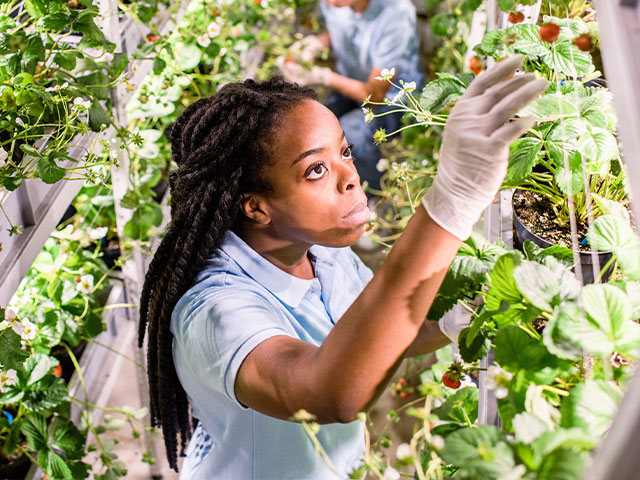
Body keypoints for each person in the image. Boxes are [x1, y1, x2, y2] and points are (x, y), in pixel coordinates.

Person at [138, 55, 546, 479]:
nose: (349, 176)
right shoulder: (214, 313)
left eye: (344, 151)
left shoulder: (323, 253)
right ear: (256, 207)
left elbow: (371, 341)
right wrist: (452, 200)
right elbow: (327, 392)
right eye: (316, 170)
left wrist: (447, 324)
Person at [279, 0, 424, 193]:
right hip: (351, 82)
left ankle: (372, 191)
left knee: (350, 136)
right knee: (313, 122)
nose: (329, 2)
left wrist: (324, 77)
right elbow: (344, 29)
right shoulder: (337, 4)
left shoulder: (396, 15)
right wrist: (317, 43)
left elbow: (374, 96)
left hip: (392, 99)